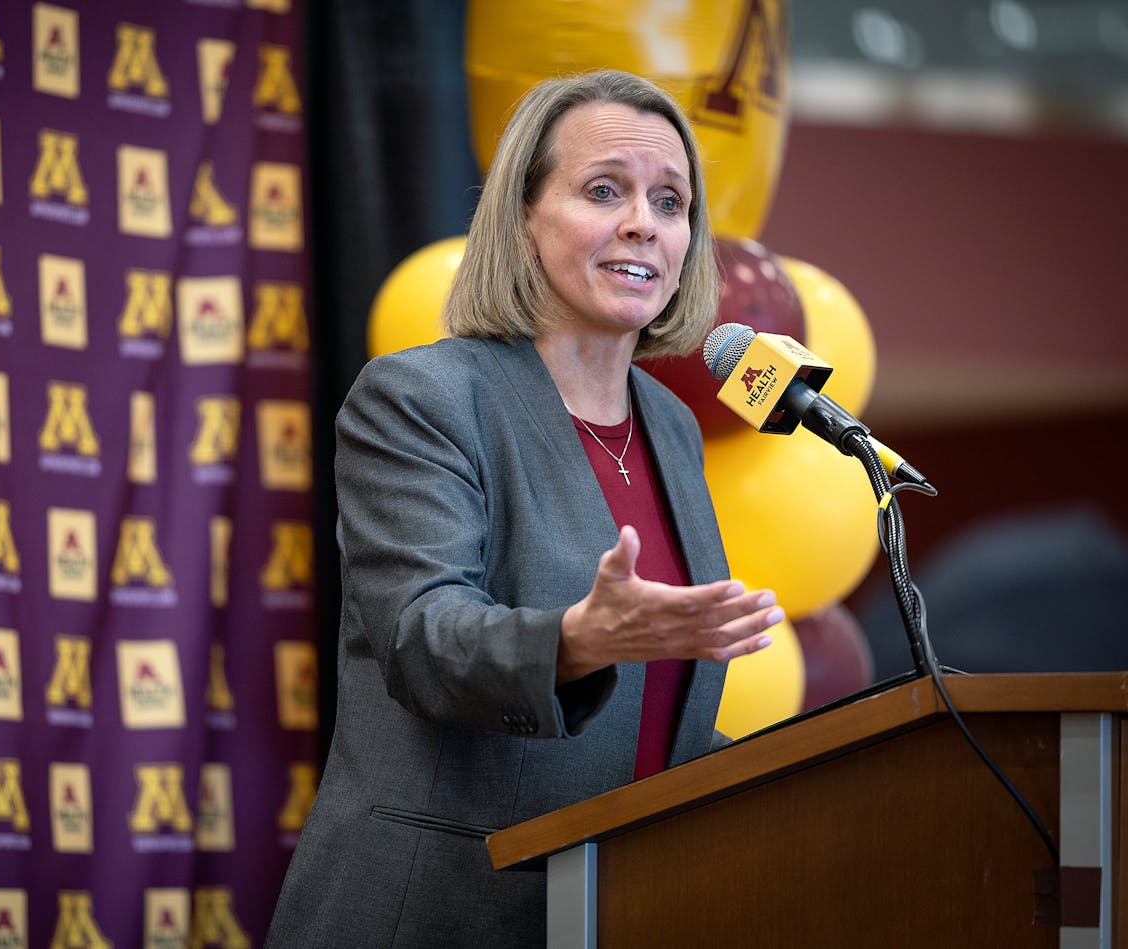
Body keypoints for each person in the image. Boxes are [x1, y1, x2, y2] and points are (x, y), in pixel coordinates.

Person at [265, 69, 783, 949]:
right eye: (604, 190)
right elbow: (422, 638)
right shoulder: (423, 397)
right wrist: (575, 641)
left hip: (623, 910)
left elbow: (652, 716)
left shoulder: (672, 427)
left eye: (670, 202)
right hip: (441, 912)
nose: (642, 224)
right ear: (521, 217)